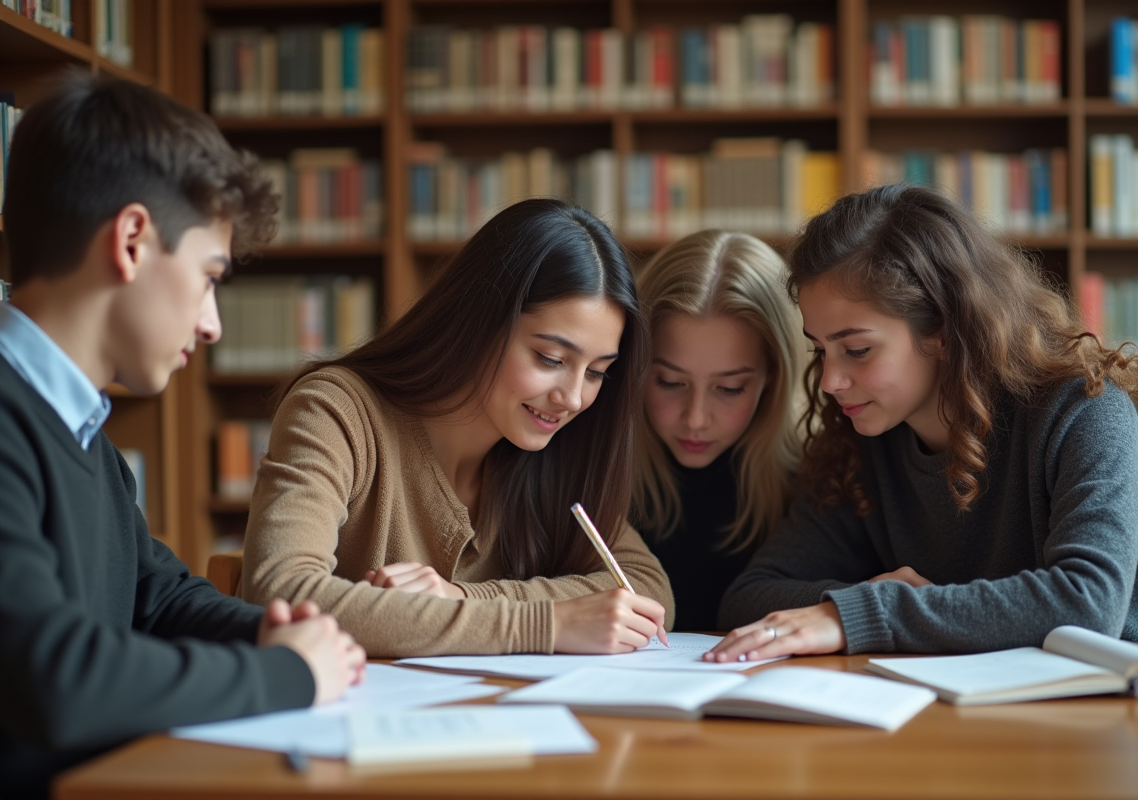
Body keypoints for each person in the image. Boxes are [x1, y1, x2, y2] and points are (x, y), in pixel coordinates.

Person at [0, 72, 365, 799]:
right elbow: (56, 678)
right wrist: (289, 673)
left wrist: (279, 631)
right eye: (207, 277)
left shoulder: (82, 436)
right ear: (133, 241)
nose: (212, 323)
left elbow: (158, 600)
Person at [707, 183, 1138, 662]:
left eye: (857, 350)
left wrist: (857, 613)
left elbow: (1088, 604)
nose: (829, 381)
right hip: (1025, 697)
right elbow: (751, 595)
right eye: (820, 350)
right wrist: (858, 603)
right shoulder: (862, 442)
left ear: (944, 328)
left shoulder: (1084, 408)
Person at [241, 197, 673, 657]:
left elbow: (646, 589)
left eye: (596, 372)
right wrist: (542, 624)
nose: (572, 398)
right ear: (480, 321)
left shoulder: (559, 449)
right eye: (551, 359)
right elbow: (280, 592)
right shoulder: (336, 411)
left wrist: (466, 598)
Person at [633, 230, 805, 631]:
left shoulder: (817, 478)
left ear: (773, 378)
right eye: (670, 383)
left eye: (729, 388)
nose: (695, 418)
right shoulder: (591, 470)